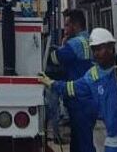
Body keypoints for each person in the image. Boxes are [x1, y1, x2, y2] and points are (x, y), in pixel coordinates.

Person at [41, 28, 117, 152]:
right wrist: (52, 83)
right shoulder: (92, 76)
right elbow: (72, 88)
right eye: (94, 50)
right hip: (113, 141)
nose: (96, 54)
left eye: (99, 49)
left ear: (111, 47)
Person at [49, 9, 96, 152]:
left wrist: (62, 44)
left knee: (83, 143)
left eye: (67, 25)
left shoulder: (75, 43)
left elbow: (54, 58)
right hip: (88, 97)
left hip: (79, 99)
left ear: (75, 25)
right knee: (79, 140)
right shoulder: (89, 40)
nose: (65, 29)